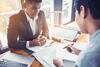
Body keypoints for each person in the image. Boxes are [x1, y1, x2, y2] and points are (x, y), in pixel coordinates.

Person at [54, 0, 100, 67]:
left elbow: (91, 57)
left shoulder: (88, 56)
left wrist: (59, 65)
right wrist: (79, 52)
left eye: (75, 12)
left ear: (82, 11)